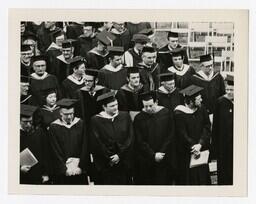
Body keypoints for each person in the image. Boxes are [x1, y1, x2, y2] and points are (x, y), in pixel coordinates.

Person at [90, 92, 134, 185]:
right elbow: (97, 142)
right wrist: (110, 157)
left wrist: (119, 155)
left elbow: (130, 137)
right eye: (112, 106)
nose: (115, 107)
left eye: (116, 104)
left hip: (123, 161)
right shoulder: (96, 120)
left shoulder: (125, 116)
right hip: (106, 163)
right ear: (104, 107)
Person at [133, 91, 176, 185]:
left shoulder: (166, 113)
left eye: (151, 105)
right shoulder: (139, 118)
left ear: (156, 102)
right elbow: (139, 140)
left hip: (165, 157)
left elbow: (170, 134)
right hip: (148, 159)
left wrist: (162, 152)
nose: (148, 108)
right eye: (145, 106)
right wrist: (153, 155)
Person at [174, 85, 211, 185]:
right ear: (190, 102)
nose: (201, 100)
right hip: (187, 152)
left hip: (201, 149)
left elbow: (207, 127)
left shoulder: (201, 108)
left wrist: (200, 144)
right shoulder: (179, 113)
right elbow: (182, 134)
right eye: (198, 99)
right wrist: (193, 147)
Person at [48, 98, 89, 185]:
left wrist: (81, 166)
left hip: (79, 169)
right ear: (60, 113)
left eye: (71, 114)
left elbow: (85, 146)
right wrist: (64, 168)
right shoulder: (54, 127)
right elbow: (54, 150)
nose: (69, 117)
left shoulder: (80, 123)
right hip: (64, 170)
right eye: (66, 114)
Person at [212, 74, 234, 185]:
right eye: (227, 89)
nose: (229, 92)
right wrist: (215, 147)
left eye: (232, 90)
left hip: (236, 144)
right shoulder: (220, 102)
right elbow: (215, 126)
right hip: (223, 144)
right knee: (224, 169)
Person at [20, 104, 49, 184]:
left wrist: (45, 173)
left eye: (30, 121)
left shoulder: (39, 132)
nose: (28, 125)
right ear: (19, 121)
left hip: (38, 174)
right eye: (25, 122)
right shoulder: (13, 135)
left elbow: (46, 153)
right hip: (22, 176)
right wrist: (19, 169)